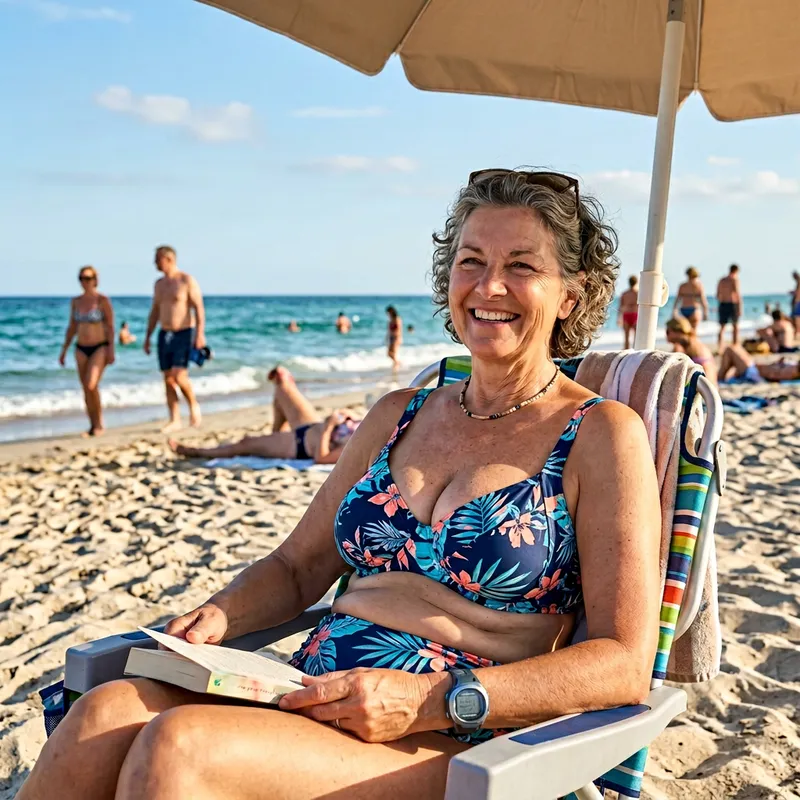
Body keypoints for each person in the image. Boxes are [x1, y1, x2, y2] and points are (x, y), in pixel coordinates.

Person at [20, 168, 661, 800]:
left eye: (522, 266)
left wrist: (435, 699)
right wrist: (221, 614)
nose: (489, 285)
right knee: (103, 714)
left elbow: (623, 661)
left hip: (456, 735)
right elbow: (300, 567)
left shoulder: (601, 435)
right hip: (313, 694)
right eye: (471, 261)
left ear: (570, 297)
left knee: (178, 749)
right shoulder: (398, 414)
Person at [169, 367, 361, 465]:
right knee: (282, 383)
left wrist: (329, 426)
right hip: (311, 425)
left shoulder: (366, 444)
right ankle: (274, 436)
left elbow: (322, 458)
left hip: (299, 445)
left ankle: (198, 452)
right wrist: (347, 415)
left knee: (245, 443)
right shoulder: (382, 424)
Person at [143, 246, 205, 432]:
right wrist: (148, 336)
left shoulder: (186, 280)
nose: (155, 263)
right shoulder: (159, 284)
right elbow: (155, 311)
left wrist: (200, 334)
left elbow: (199, 308)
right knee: (168, 379)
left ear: (168, 259)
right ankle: (175, 419)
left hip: (184, 332)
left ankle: (194, 406)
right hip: (165, 333)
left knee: (179, 376)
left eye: (157, 259)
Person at [57, 266, 115, 436]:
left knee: (91, 384)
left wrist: (111, 350)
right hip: (81, 347)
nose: (85, 282)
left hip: (100, 346)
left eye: (89, 278)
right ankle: (92, 425)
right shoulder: (76, 301)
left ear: (95, 280)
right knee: (86, 388)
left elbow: (110, 327)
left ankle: (99, 424)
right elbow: (72, 327)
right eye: (82, 278)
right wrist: (64, 350)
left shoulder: (102, 300)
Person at [665, 317, 718, 384]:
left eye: (668, 332)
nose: (666, 335)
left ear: (678, 331)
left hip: (703, 385)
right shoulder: (695, 343)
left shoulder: (681, 348)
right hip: (710, 386)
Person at [719, 343, 800, 383]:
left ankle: (720, 378)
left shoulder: (795, 370)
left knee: (732, 349)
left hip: (755, 374)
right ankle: (720, 378)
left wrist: (778, 365)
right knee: (734, 349)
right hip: (755, 370)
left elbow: (773, 375)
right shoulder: (795, 367)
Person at [716, 264, 743, 350]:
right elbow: (737, 294)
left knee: (722, 327)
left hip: (723, 303)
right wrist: (740, 307)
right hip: (732, 303)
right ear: (736, 271)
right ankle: (735, 345)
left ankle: (720, 347)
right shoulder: (734, 279)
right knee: (735, 326)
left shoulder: (722, 280)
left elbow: (717, 294)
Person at [672, 266, 709, 331]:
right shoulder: (699, 285)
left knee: (684, 331)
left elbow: (677, 300)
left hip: (683, 309)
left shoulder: (682, 286)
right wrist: (705, 312)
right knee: (693, 331)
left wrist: (674, 311)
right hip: (695, 310)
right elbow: (703, 300)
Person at [618, 275, 639, 349]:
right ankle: (635, 351)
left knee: (626, 337)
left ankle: (626, 352)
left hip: (626, 315)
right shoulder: (638, 294)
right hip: (635, 315)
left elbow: (620, 307)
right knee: (636, 337)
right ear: (637, 282)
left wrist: (619, 318)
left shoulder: (624, 294)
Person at [385, 304, 402, 370]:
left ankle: (397, 365)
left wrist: (398, 338)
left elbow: (399, 329)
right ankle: (397, 363)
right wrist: (387, 338)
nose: (387, 314)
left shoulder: (397, 319)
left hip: (396, 338)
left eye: (388, 312)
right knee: (389, 353)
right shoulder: (390, 321)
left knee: (394, 354)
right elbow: (388, 331)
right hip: (391, 338)